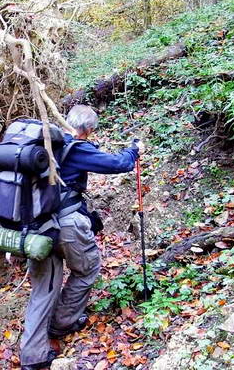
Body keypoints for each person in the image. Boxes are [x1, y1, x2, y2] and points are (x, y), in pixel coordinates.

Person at [20, 105, 144, 370]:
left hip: (35, 228)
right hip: (66, 225)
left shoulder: (43, 147)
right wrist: (134, 149)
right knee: (87, 269)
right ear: (88, 129)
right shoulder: (77, 148)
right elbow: (118, 164)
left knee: (43, 289)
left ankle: (32, 356)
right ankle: (63, 322)